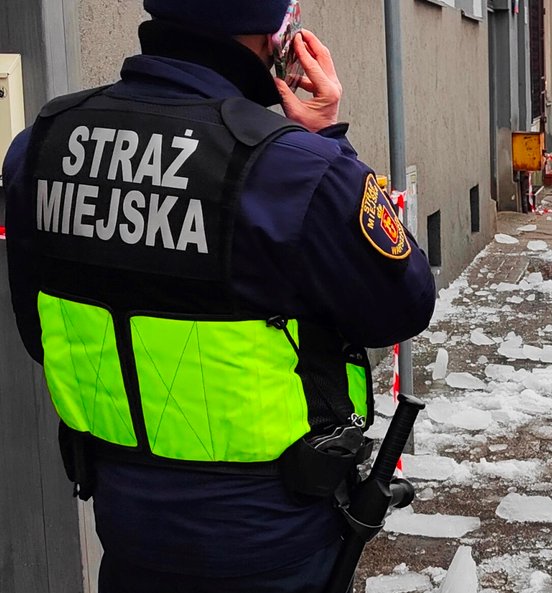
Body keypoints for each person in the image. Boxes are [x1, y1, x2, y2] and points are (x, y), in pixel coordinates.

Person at [1, 0, 436, 591]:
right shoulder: (297, 167)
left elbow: (40, 332)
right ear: (271, 34)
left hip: (126, 528)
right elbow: (401, 305)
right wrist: (329, 139)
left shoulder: (41, 144)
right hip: (273, 542)